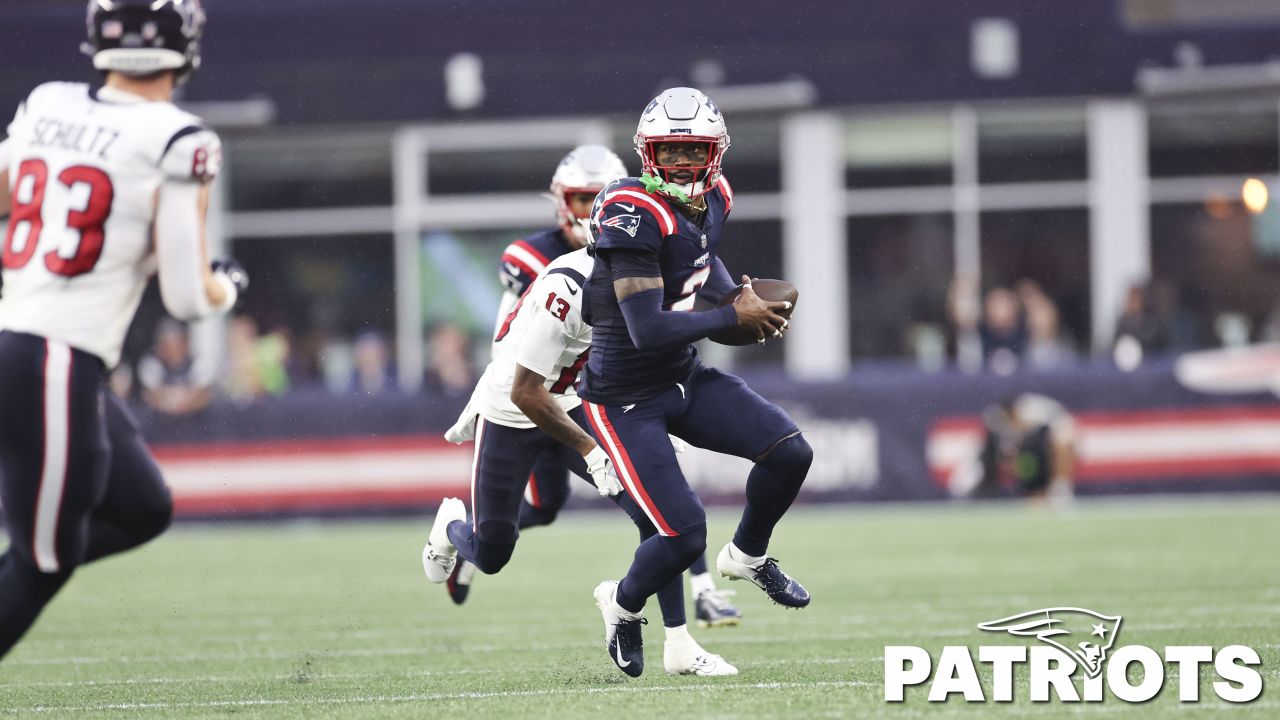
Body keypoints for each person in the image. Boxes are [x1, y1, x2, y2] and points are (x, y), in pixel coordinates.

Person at [0, 0, 247, 660]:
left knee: (141, 507)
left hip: (34, 345)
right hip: (49, 355)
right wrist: (229, 283)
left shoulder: (47, 102)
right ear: (184, 44)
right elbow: (189, 296)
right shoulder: (178, 138)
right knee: (45, 561)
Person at [446, 146, 742, 629]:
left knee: (653, 499)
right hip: (529, 395)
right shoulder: (538, 262)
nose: (590, 213)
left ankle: (694, 610)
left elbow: (680, 293)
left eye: (596, 199)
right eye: (580, 200)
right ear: (561, 201)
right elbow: (521, 350)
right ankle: (468, 540)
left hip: (587, 392)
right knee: (526, 520)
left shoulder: (645, 236)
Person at [578, 87, 813, 677]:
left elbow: (703, 268)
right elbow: (647, 329)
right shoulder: (632, 211)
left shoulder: (715, 198)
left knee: (791, 453)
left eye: (694, 149)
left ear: (715, 152)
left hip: (681, 377)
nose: (682, 162)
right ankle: (623, 605)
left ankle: (747, 556)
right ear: (647, 152)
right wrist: (733, 316)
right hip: (624, 399)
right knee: (683, 535)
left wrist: (739, 296)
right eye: (670, 150)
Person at [423, 244, 736, 676]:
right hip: (513, 406)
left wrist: (651, 427)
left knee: (657, 511)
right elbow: (527, 391)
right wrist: (591, 451)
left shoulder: (653, 279)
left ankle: (678, 643)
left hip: (579, 400)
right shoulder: (568, 287)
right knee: (492, 553)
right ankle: (451, 528)